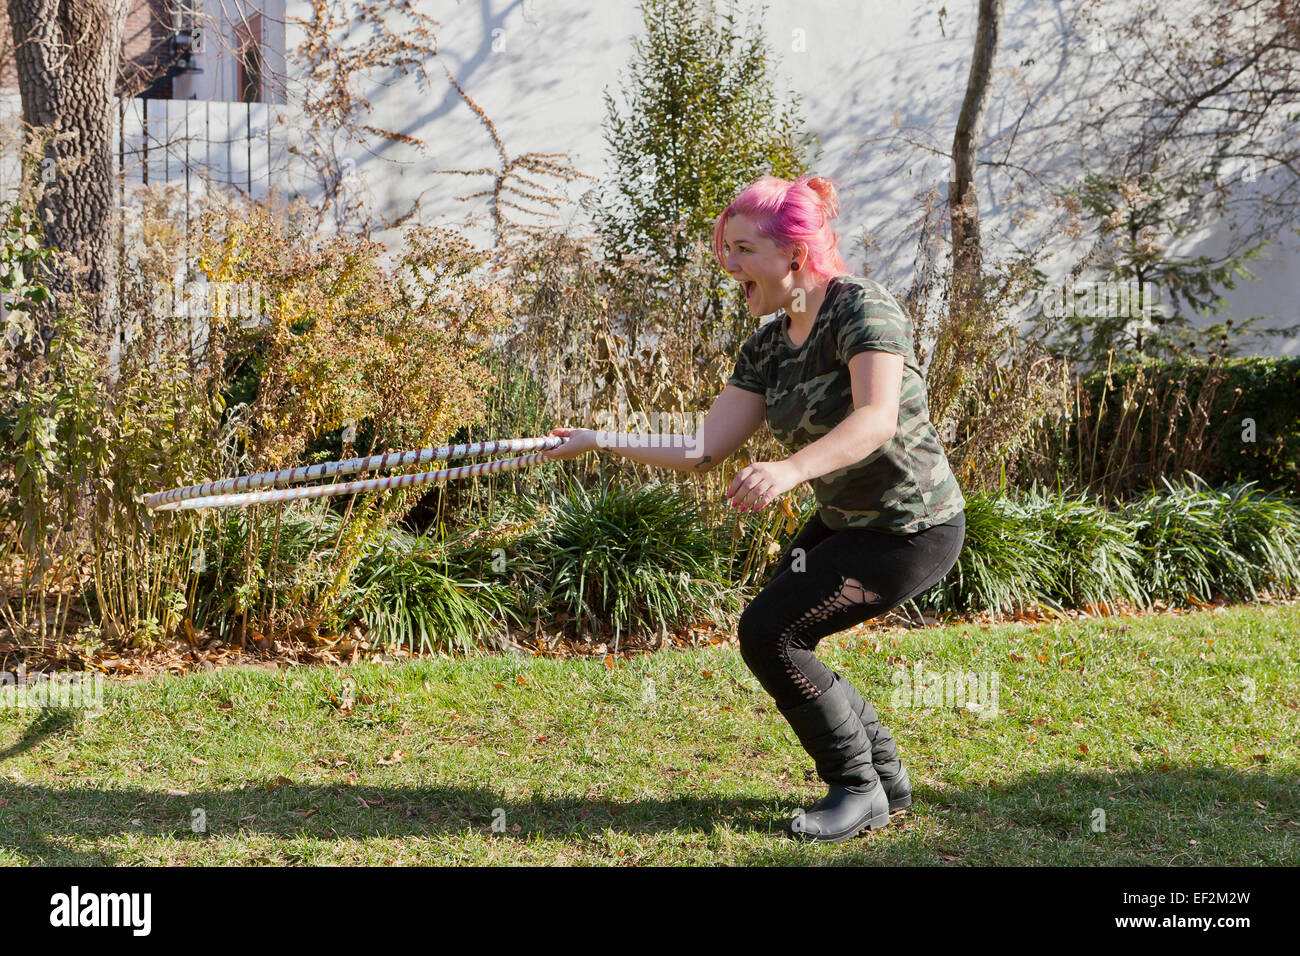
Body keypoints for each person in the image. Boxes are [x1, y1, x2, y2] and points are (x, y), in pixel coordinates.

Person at [543, 173, 966, 843]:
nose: (729, 265)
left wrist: (791, 469)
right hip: (847, 520)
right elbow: (704, 446)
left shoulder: (861, 311)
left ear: (794, 255)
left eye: (742, 250)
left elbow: (877, 419)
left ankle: (857, 790)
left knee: (772, 634)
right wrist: (600, 439)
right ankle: (881, 774)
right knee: (779, 632)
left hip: (909, 526)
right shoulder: (768, 348)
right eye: (726, 250)